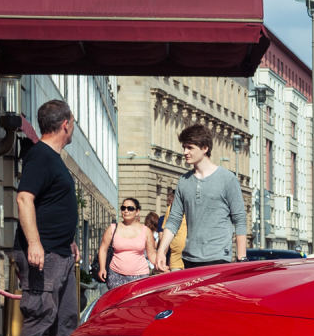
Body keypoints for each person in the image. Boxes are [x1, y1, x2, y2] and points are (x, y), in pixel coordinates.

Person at [13, 100, 80, 336]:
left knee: (66, 317)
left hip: (62, 252)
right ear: (65, 123)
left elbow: (52, 204)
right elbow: (24, 199)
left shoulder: (55, 158)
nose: (73, 125)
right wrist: (35, 243)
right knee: (40, 313)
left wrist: (71, 240)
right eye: (74, 121)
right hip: (45, 253)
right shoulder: (40, 156)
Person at [156, 124, 248, 270]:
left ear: (205, 148)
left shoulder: (227, 179)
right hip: (189, 258)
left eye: (190, 148)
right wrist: (161, 251)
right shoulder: (183, 181)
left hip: (218, 257)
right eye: (184, 147)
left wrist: (241, 258)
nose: (185, 152)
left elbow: (240, 219)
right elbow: (173, 220)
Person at [98, 198, 157, 289]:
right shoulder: (113, 228)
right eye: (123, 208)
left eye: (130, 208)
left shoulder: (146, 231)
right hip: (116, 275)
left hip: (140, 276)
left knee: (137, 303)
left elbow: (152, 254)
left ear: (137, 212)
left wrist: (160, 266)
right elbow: (103, 249)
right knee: (117, 302)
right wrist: (102, 268)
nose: (126, 211)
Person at [159, 189, 187, 270]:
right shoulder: (172, 208)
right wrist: (162, 254)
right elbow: (167, 232)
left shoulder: (195, 207)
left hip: (195, 259)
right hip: (176, 260)